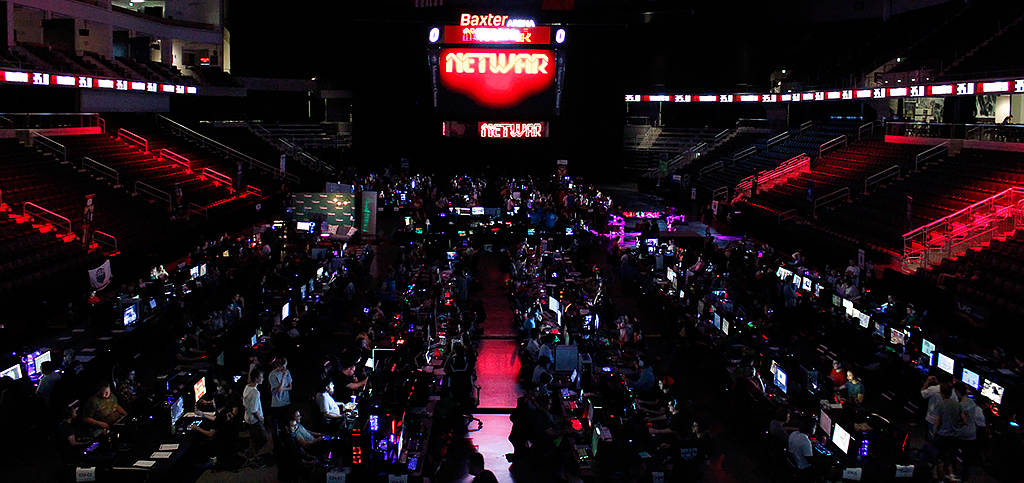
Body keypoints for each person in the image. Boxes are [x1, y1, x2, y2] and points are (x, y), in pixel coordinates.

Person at [243, 370, 269, 462]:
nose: (263, 379)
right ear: (256, 379)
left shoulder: (247, 387)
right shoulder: (255, 393)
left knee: (254, 437)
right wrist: (260, 419)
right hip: (254, 420)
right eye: (261, 377)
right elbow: (254, 410)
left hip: (248, 417)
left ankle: (251, 453)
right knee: (263, 438)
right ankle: (252, 456)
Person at [279, 417, 317, 482]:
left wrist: (308, 456)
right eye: (293, 426)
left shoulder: (292, 436)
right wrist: (308, 463)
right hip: (297, 465)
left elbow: (299, 451)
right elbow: (295, 458)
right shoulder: (288, 440)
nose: (295, 427)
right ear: (286, 428)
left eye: (295, 425)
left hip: (300, 461)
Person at [268, 358, 293, 426]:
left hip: (286, 401)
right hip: (277, 402)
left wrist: (282, 388)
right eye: (283, 366)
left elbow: (290, 387)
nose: (284, 368)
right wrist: (283, 377)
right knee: (277, 422)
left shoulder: (287, 371)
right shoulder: (272, 375)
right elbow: (278, 389)